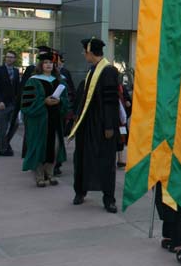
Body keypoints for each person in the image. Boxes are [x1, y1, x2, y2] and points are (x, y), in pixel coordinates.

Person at [71, 37, 121, 213]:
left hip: (101, 126)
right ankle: (80, 191)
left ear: (90, 52)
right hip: (87, 125)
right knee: (82, 158)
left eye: (85, 52)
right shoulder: (92, 71)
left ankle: (109, 199)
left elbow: (111, 102)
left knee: (106, 161)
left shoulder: (108, 71)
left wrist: (109, 126)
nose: (84, 55)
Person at [21, 51, 69, 187]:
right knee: (40, 146)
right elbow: (26, 103)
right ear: (41, 65)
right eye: (46, 63)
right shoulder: (33, 80)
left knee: (55, 146)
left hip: (55, 118)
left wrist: (59, 102)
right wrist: (44, 102)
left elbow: (66, 99)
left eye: (51, 63)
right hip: (39, 120)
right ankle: (39, 175)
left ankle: (50, 173)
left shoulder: (59, 80)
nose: (48, 65)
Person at [0, 50, 21, 156]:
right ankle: (2, 149)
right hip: (3, 103)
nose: (9, 59)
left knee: (15, 124)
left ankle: (6, 143)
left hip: (13, 103)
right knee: (3, 127)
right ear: (5, 58)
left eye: (12, 57)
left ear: (14, 59)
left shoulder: (15, 71)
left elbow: (17, 87)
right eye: (8, 57)